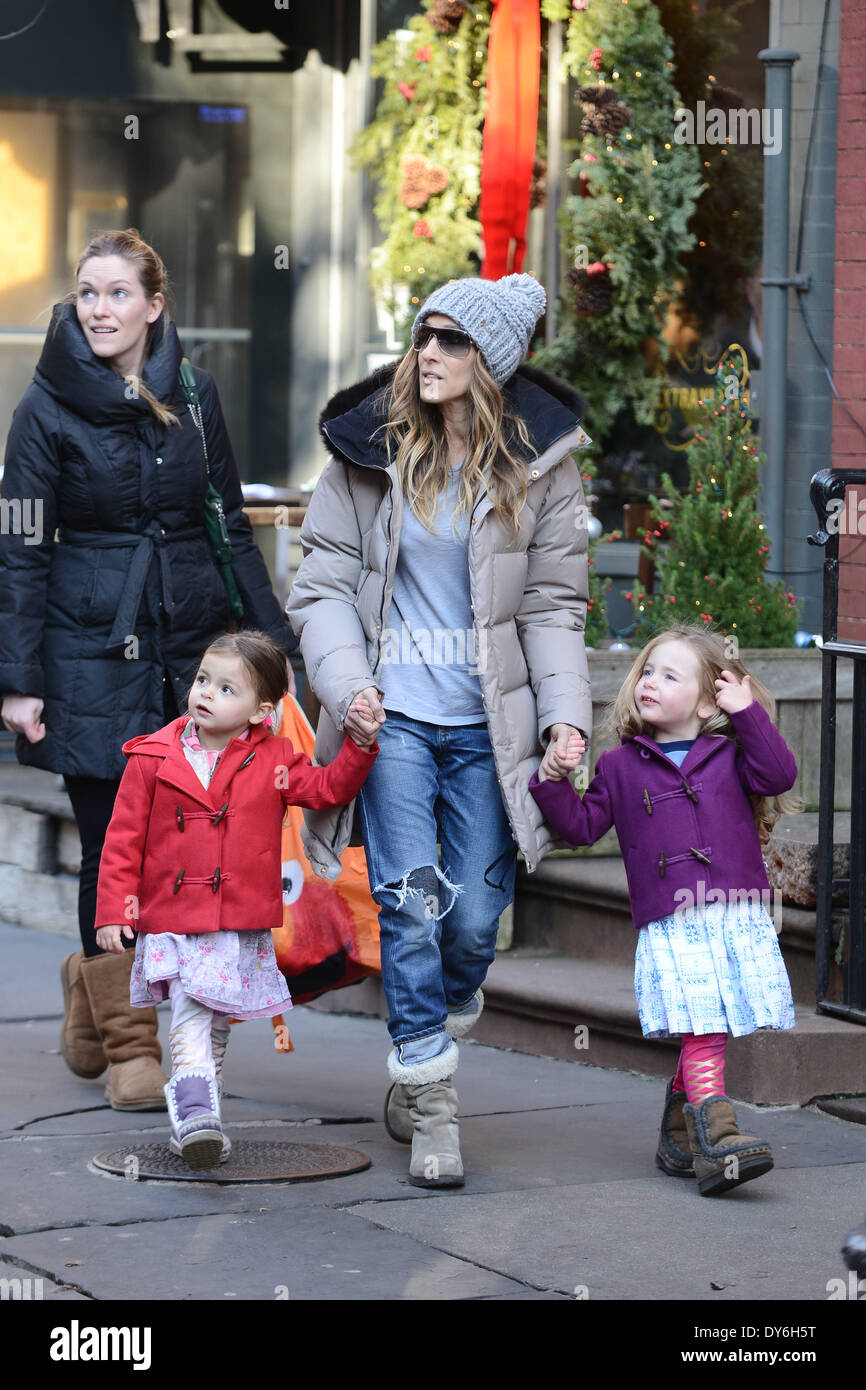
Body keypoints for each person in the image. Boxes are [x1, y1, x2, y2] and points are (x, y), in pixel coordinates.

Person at [287, 273, 593, 1188]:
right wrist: (349, 688)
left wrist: (566, 721)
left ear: (490, 362)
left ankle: (436, 1032)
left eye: (452, 342)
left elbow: (551, 605)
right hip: (398, 725)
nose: (429, 354)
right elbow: (323, 583)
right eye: (425, 335)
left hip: (488, 729)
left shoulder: (544, 466)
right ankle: (431, 1096)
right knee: (411, 909)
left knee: (472, 925)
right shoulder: (367, 450)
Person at [0, 229, 298, 1111]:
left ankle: (95, 988)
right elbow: (17, 546)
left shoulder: (196, 398)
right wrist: (17, 680)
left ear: (154, 305)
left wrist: (271, 648)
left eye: (118, 293)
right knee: (111, 842)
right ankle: (134, 1045)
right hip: (86, 649)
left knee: (179, 840)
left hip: (188, 649)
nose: (99, 309)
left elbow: (229, 525)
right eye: (87, 293)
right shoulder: (43, 407)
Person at [529, 623, 800, 1196]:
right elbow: (580, 826)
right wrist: (553, 779)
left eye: (669, 675)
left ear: (707, 702)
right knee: (705, 1025)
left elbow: (780, 774)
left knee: (712, 1021)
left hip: (733, 914)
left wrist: (748, 712)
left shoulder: (731, 755)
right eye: (646, 671)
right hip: (674, 920)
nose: (650, 681)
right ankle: (719, 1137)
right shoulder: (620, 767)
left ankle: (680, 1136)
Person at [93, 629, 377, 1168]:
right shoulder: (152, 758)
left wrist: (360, 748)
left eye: (226, 689)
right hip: (175, 918)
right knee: (193, 1012)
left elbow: (326, 790)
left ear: (259, 711)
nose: (205, 693)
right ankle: (198, 1116)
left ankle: (195, 1117)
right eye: (203, 680)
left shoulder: (274, 758)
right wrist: (114, 910)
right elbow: (122, 840)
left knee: (217, 1022)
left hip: (238, 923)